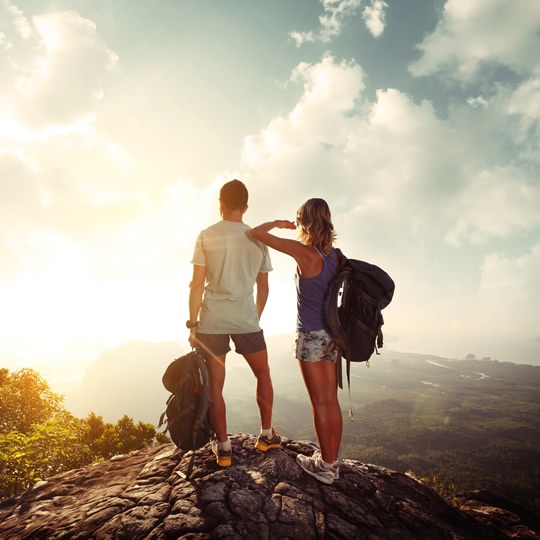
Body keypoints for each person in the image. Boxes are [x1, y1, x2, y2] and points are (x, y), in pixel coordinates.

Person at [188, 179, 281, 467]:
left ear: (220, 203)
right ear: (246, 207)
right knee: (263, 375)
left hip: (212, 320)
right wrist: (254, 316)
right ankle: (266, 435)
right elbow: (263, 287)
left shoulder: (206, 235)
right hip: (246, 319)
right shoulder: (258, 238)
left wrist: (193, 324)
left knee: (216, 384)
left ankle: (225, 447)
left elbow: (196, 284)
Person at [250, 198, 342, 484]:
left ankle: (325, 467)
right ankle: (332, 461)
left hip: (311, 337)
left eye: (299, 219)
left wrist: (278, 224)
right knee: (331, 402)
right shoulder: (336, 256)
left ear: (305, 222)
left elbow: (255, 233)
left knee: (319, 404)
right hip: (333, 337)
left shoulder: (303, 253)